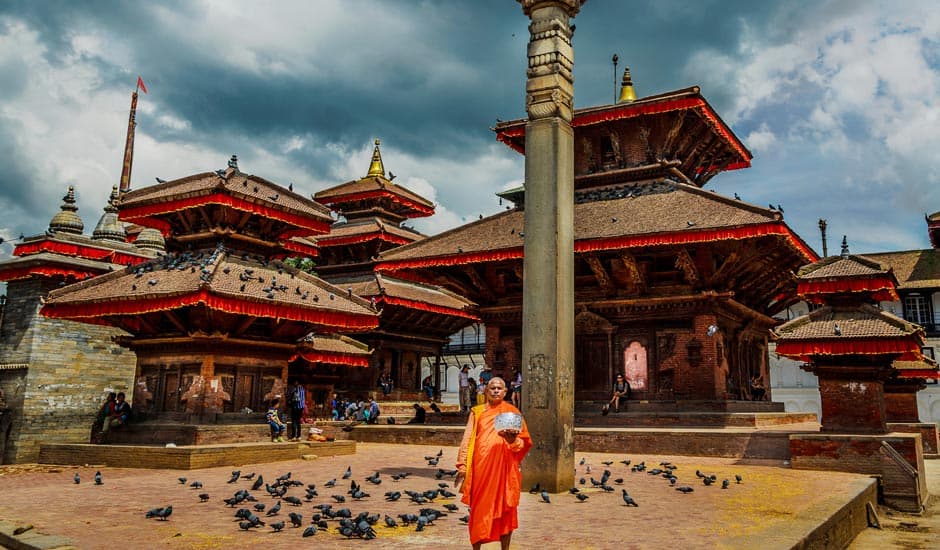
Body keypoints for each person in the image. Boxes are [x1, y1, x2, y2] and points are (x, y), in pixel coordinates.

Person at [456, 377, 533, 550]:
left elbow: (522, 444)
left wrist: (512, 441)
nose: (496, 391)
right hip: (481, 469)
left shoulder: (513, 413)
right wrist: (462, 464)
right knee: (478, 512)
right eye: (492, 388)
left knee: (507, 511)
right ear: (486, 391)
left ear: (505, 392)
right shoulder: (477, 413)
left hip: (506, 471)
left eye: (499, 388)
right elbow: (467, 440)